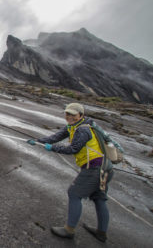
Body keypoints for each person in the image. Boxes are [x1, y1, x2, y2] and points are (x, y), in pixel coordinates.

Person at [27, 103, 113, 242]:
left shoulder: (83, 130)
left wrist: (53, 148)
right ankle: (101, 233)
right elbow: (55, 137)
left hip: (95, 168)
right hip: (105, 167)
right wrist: (37, 141)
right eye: (67, 114)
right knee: (99, 198)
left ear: (81, 115)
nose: (69, 117)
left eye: (73, 114)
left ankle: (69, 230)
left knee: (74, 193)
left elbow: (73, 149)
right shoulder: (74, 126)